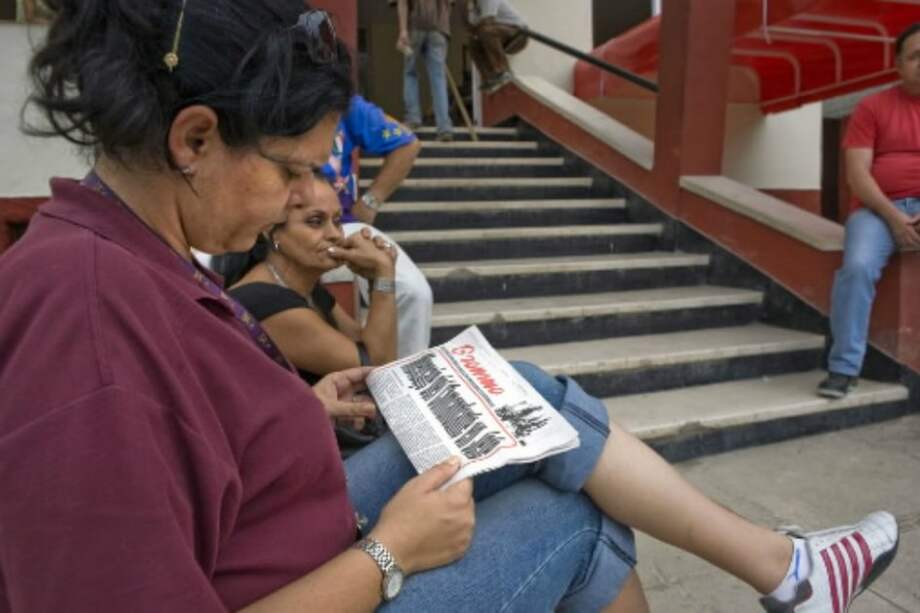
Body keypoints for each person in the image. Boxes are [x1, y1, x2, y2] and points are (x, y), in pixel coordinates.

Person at [0, 3, 899, 613]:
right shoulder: (81, 320)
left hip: (289, 522)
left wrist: (298, 408)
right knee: (576, 519)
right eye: (290, 171)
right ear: (194, 137)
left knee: (523, 396)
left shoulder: (142, 251)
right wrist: (387, 554)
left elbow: (180, 445)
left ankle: (788, 572)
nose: (296, 201)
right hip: (319, 565)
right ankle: (791, 576)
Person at [226, 179, 398, 453]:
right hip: (299, 470)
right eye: (316, 222)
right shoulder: (265, 300)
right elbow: (378, 364)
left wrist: (376, 278)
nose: (334, 235)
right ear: (271, 231)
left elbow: (367, 344)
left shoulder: (308, 289)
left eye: (338, 221)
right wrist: (384, 277)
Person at [818, 22, 920, 399]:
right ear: (898, 64)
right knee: (857, 267)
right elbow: (857, 175)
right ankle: (843, 368)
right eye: (915, 56)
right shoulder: (873, 107)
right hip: (878, 211)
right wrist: (895, 219)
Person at [320, 94, 433, 358]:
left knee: (412, 291)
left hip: (343, 225)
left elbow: (408, 143)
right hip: (282, 226)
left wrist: (371, 201)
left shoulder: (343, 103)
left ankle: (404, 384)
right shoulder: (261, 97)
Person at [396, 0, 455, 140]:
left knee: (410, 73)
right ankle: (444, 127)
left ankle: (413, 118)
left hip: (416, 26)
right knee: (438, 79)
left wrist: (403, 30)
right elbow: (450, 6)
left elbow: (402, 3)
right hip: (439, 31)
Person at [465, 0, 528, 94]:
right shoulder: (473, 8)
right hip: (499, 33)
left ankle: (503, 70)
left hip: (518, 33)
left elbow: (488, 21)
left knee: (486, 31)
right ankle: (489, 77)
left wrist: (476, 28)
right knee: (473, 43)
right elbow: (472, 29)